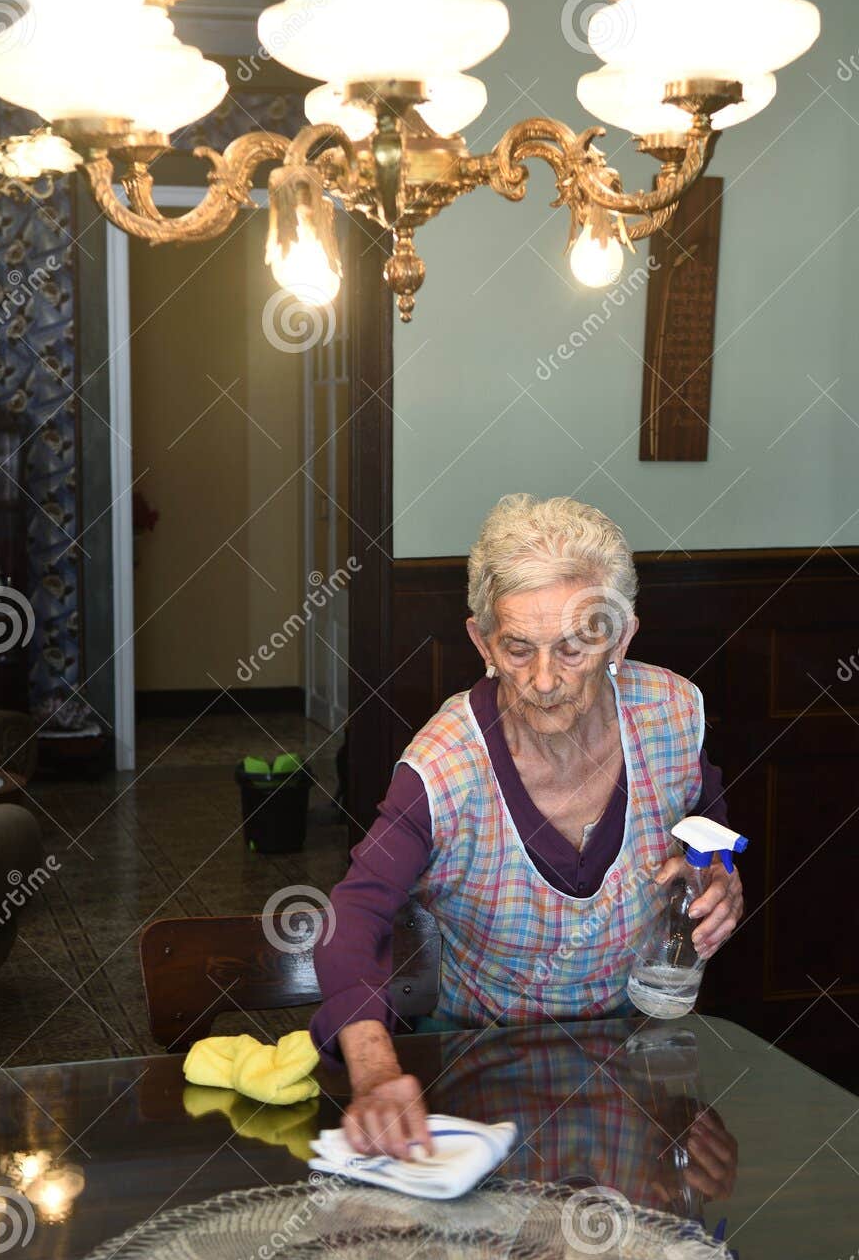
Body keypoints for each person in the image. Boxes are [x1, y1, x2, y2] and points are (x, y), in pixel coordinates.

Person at [312, 494, 744, 1157]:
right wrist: (374, 1072)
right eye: (517, 649)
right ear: (482, 641)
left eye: (573, 648)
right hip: (478, 1073)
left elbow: (705, 812)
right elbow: (356, 911)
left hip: (639, 1069)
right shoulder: (445, 766)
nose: (542, 681)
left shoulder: (670, 710)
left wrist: (717, 872)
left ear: (619, 637)